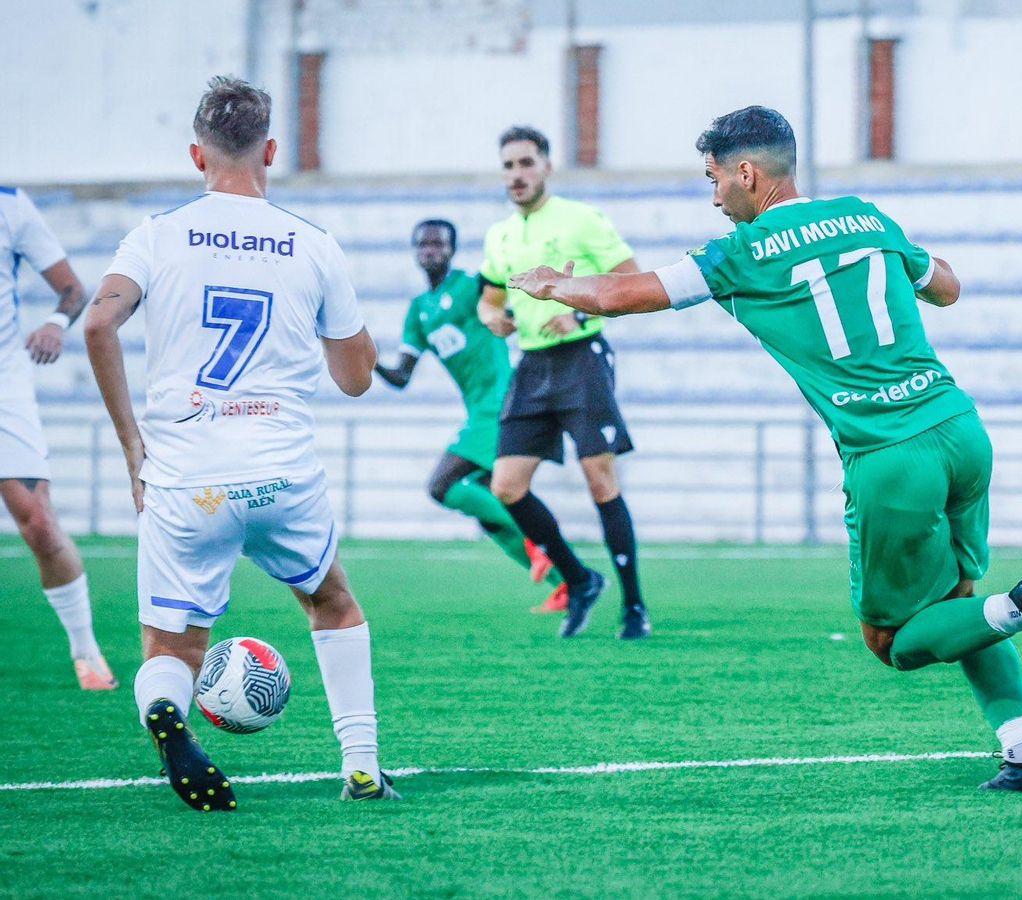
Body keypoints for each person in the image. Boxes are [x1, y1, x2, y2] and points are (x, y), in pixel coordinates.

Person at [507, 105, 1022, 793]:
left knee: (893, 641)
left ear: (747, 174)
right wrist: (901, 259)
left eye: (714, 180)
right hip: (960, 430)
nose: (713, 198)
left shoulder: (740, 253)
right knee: (960, 601)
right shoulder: (866, 214)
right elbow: (948, 288)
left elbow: (626, 295)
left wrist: (553, 285)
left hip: (890, 457)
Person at [84, 75, 399, 809]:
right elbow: (357, 378)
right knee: (332, 602)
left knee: (172, 648)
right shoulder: (314, 245)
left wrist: (133, 446)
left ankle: (170, 713)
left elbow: (98, 325)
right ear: (272, 150)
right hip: (281, 474)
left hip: (187, 477)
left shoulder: (156, 234)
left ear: (198, 154)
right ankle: (361, 766)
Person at [476, 126, 648, 640]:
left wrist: (581, 313)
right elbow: (489, 300)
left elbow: (633, 280)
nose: (516, 174)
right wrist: (494, 320)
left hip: (582, 358)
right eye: (508, 166)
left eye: (526, 163)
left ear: (547, 166)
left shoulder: (582, 220)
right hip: (531, 364)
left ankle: (634, 606)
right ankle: (579, 579)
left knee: (600, 478)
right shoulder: (500, 235)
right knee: (505, 486)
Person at [374, 219, 566, 612]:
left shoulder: (467, 286)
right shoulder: (419, 311)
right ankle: (568, 583)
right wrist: (367, 356)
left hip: (502, 404)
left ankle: (536, 541)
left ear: (451, 250)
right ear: (415, 251)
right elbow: (402, 376)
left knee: (442, 486)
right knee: (484, 507)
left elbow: (508, 299)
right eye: (423, 244)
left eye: (438, 244)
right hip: (479, 411)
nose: (430, 250)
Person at [0, 185, 118, 690]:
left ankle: (86, 652)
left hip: (6, 380)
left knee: (40, 524)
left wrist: (53, 324)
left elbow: (72, 290)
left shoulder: (10, 203)